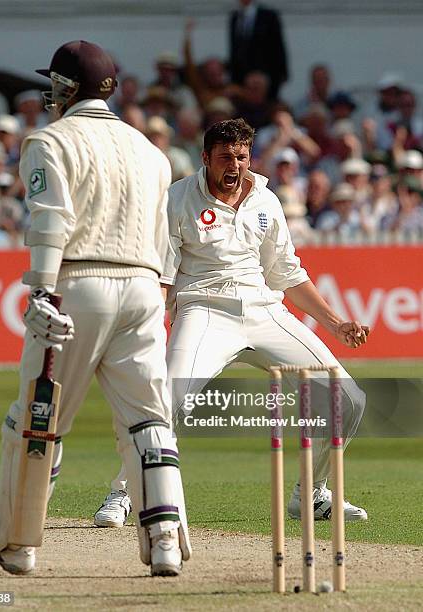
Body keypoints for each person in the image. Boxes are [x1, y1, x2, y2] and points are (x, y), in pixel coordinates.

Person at [0, 40, 191, 578]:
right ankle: (164, 541)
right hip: (142, 288)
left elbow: (50, 219)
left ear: (66, 89)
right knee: (148, 419)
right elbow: (165, 235)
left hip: (78, 283)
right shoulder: (152, 151)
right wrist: (158, 291)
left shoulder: (49, 140)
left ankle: (17, 545)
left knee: (35, 419)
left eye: (54, 85)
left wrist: (42, 290)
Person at [94, 118, 370, 529]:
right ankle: (124, 491)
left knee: (348, 400)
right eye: (226, 157)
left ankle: (311, 494)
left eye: (242, 157)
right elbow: (164, 279)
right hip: (204, 312)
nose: (235, 166)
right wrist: (144, 331)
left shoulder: (265, 199)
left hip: (264, 311)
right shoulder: (179, 199)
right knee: (167, 400)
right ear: (205, 158)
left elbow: (287, 274)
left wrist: (334, 323)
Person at [229, 0, 288, 99]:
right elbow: (234, 49)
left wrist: (282, 73)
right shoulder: (235, 18)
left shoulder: (269, 16)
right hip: (242, 76)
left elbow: (278, 46)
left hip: (267, 74)